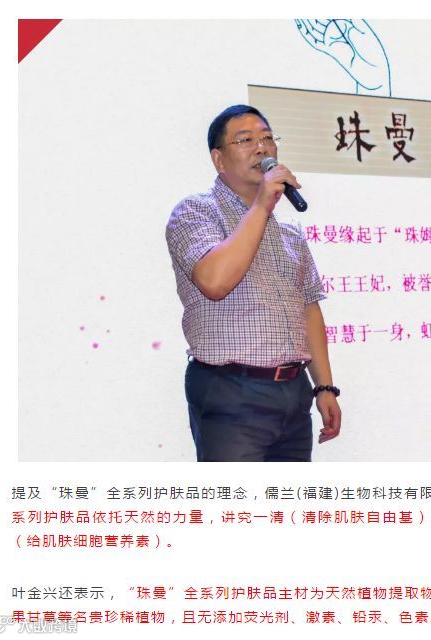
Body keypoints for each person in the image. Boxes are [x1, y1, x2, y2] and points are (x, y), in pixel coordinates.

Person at [166, 104, 342, 461]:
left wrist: (324, 386)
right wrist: (262, 206)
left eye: (267, 138)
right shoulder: (195, 212)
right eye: (245, 140)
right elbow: (215, 282)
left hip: (293, 391)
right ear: (219, 159)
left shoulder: (288, 232)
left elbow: (309, 308)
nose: (261, 148)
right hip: (230, 389)